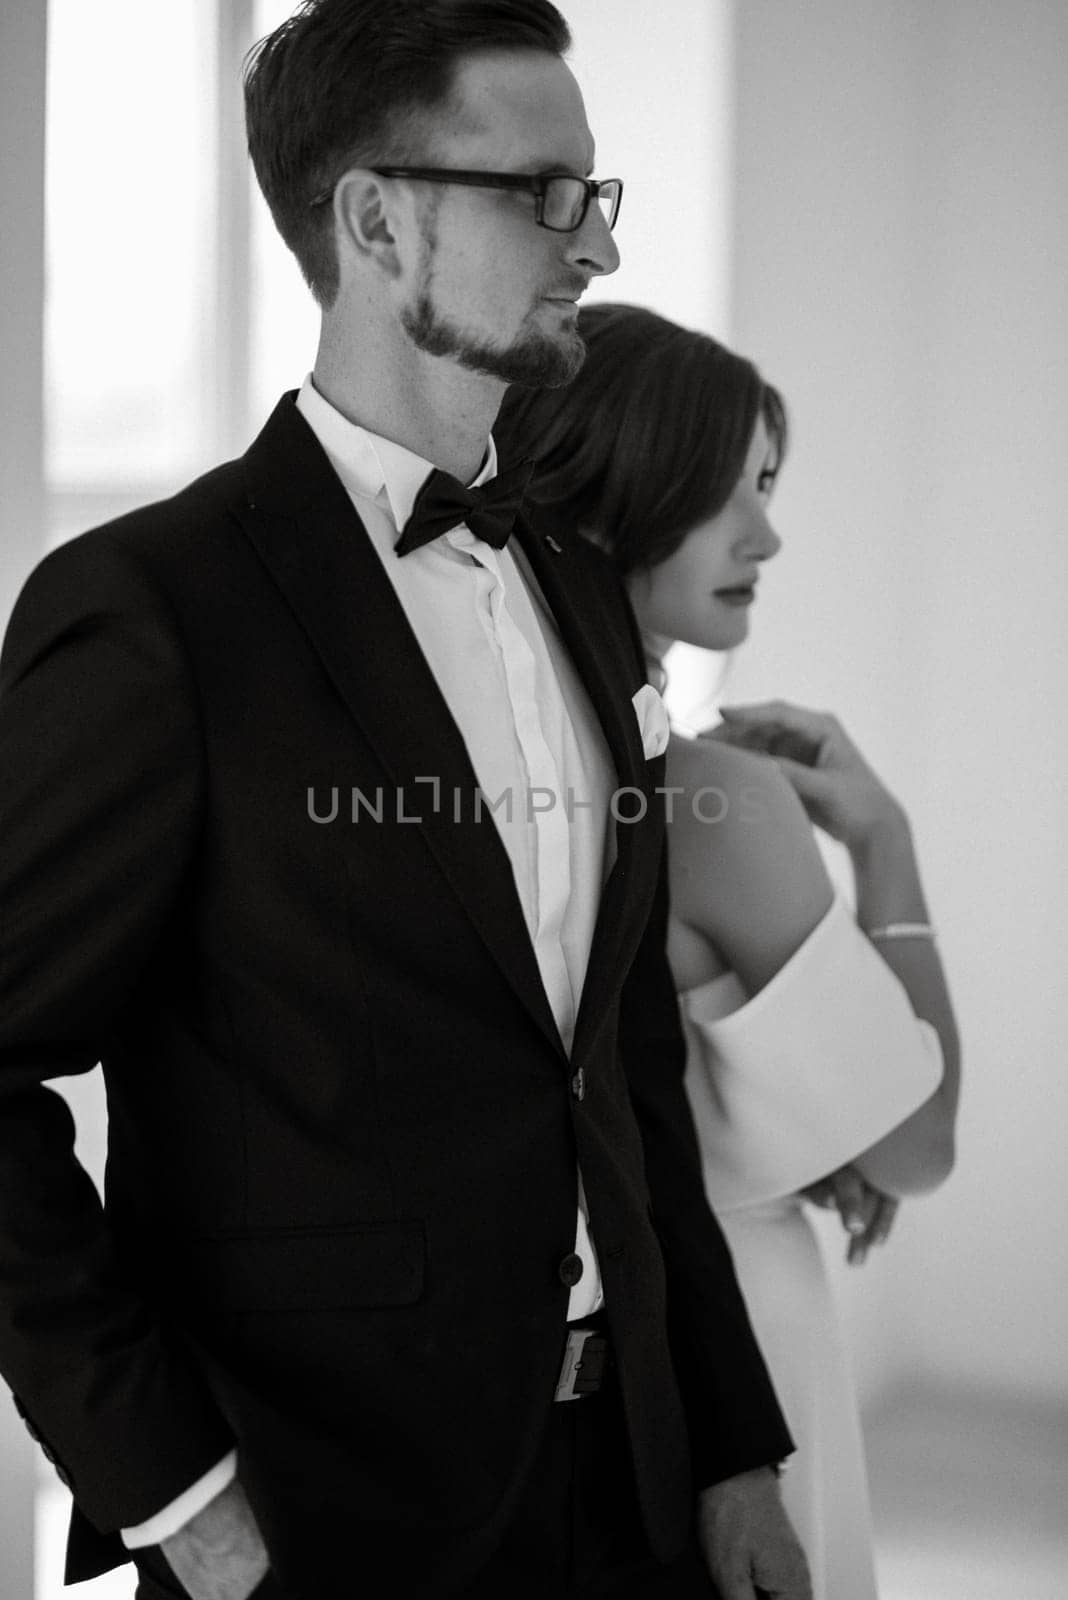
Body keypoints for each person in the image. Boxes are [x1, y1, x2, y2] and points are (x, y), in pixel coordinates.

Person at [0, 11, 813, 1600]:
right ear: (377, 221)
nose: (598, 240)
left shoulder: (576, 584)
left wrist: (730, 1446)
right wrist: (188, 1505)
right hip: (320, 1522)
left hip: (633, 1497)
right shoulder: (152, 610)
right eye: (547, 194)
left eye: (600, 191)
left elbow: (624, 1058)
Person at [496, 301, 961, 1600]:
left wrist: (798, 1133)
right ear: (617, 480)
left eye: (769, 485)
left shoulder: (506, 769)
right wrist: (883, 840)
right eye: (728, 491)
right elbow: (916, 1148)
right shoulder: (722, 801)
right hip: (732, 1350)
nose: (768, 533)